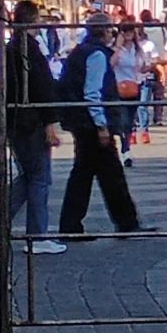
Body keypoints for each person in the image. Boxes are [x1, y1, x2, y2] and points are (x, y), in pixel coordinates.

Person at [57, 15, 143, 238]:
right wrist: (101, 125)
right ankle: (124, 222)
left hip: (81, 122)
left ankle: (74, 223)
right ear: (104, 32)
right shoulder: (96, 55)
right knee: (105, 174)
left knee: (89, 174)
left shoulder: (81, 51)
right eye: (109, 30)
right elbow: (92, 93)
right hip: (91, 125)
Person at [0, 1, 67, 255]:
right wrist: (50, 122)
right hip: (32, 121)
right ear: (32, 21)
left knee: (29, 176)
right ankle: (37, 235)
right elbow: (43, 87)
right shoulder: (30, 51)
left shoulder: (11, 48)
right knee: (39, 178)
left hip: (17, 119)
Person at [110, 23, 149, 166]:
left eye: (131, 31)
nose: (128, 34)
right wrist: (118, 48)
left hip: (134, 87)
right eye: (125, 31)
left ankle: (126, 148)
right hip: (119, 87)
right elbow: (111, 65)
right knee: (124, 121)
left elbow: (142, 67)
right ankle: (124, 150)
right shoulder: (115, 50)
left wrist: (148, 68)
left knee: (130, 122)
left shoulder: (137, 50)